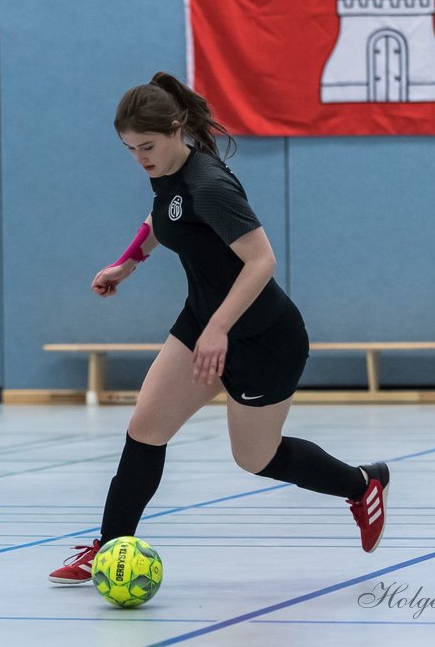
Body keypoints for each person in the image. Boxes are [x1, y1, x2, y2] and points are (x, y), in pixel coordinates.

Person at [49, 72, 389, 584]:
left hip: (263, 339)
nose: (140, 157)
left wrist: (220, 329)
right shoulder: (169, 172)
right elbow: (162, 215)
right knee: (145, 428)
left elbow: (261, 261)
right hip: (204, 322)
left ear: (176, 127)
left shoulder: (210, 184)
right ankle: (110, 548)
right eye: (129, 149)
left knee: (256, 458)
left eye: (147, 145)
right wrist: (128, 263)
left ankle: (361, 485)